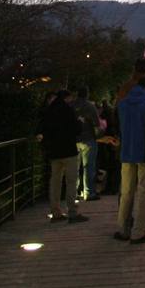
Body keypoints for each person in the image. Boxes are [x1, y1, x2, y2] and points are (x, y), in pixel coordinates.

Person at [114, 75, 145, 244]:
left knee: (126, 191)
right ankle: (138, 231)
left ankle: (122, 228)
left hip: (126, 152)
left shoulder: (122, 104)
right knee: (144, 192)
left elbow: (117, 128)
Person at [36, 90, 88, 224]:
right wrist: (80, 122)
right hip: (68, 150)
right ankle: (72, 212)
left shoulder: (49, 110)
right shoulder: (68, 110)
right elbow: (76, 129)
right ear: (67, 97)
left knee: (55, 182)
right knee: (71, 181)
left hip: (54, 152)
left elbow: (43, 128)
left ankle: (56, 211)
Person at [72, 85, 101, 201]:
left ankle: (73, 193)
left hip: (74, 139)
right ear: (87, 94)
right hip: (88, 139)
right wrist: (98, 135)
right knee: (89, 167)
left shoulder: (71, 105)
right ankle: (89, 192)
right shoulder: (90, 106)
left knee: (74, 167)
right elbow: (96, 124)